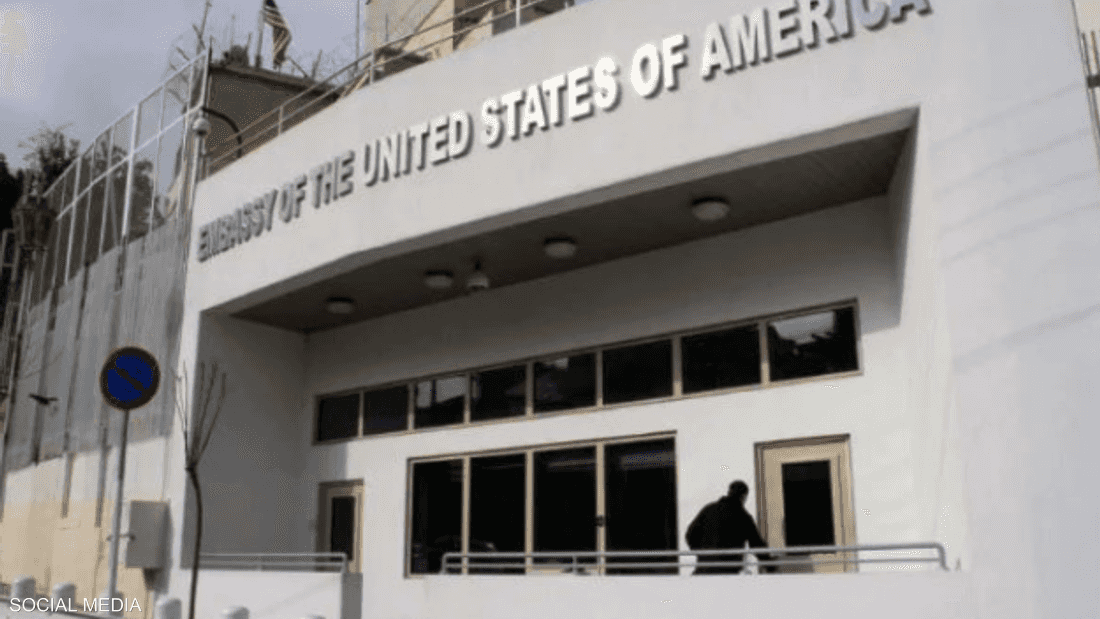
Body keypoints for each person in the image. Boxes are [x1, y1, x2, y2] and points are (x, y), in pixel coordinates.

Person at [686, 480, 775, 574]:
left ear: (729, 492)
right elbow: (756, 544)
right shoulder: (743, 517)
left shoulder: (708, 510)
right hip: (728, 571)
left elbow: (690, 535)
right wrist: (770, 565)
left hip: (704, 569)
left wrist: (703, 554)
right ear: (743, 496)